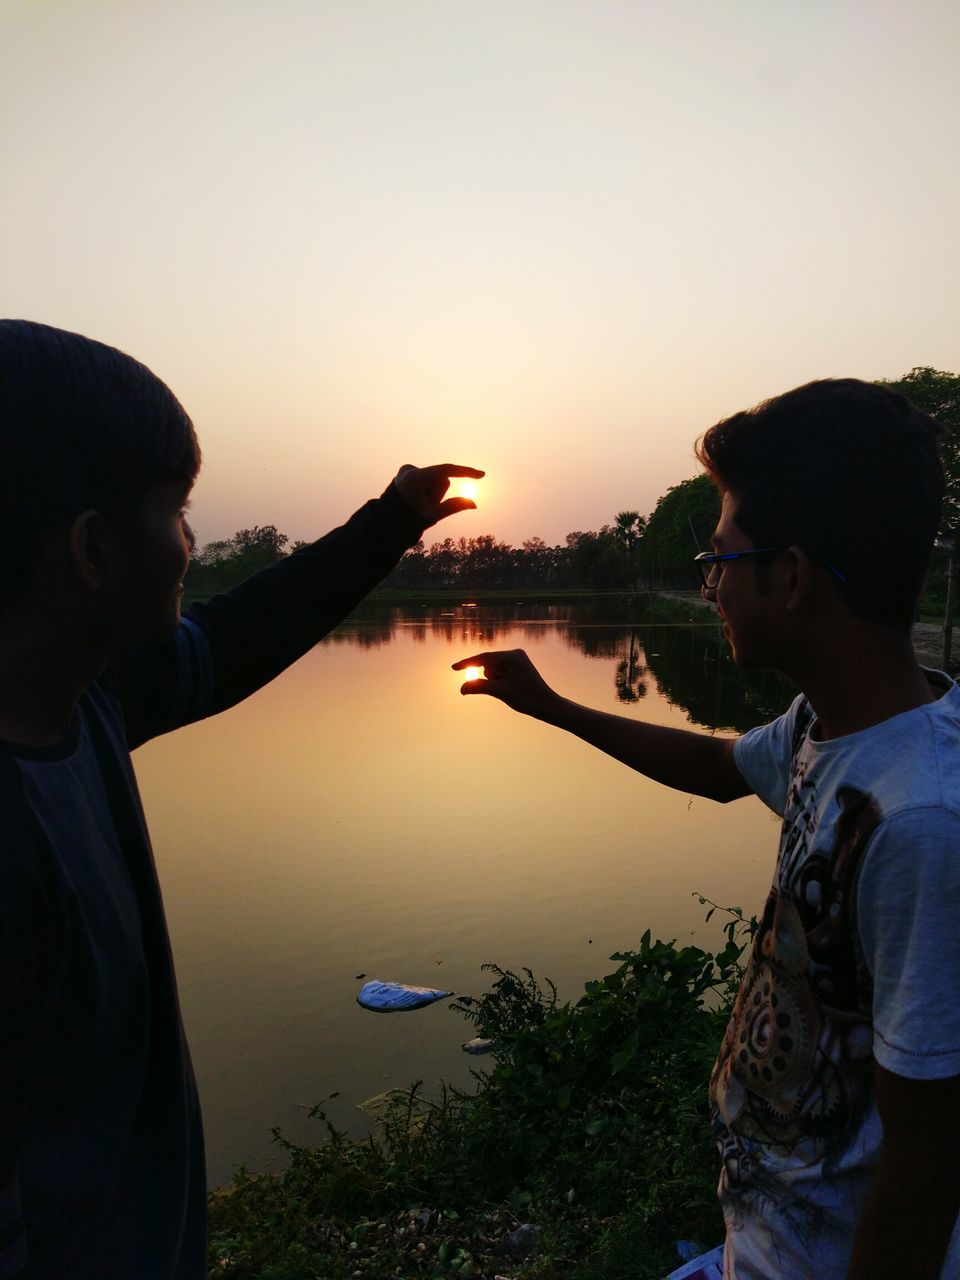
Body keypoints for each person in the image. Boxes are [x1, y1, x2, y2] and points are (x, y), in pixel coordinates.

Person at [0, 318, 482, 1278]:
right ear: (93, 550)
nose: (189, 544)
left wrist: (387, 523)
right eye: (177, 514)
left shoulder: (85, 698)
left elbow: (238, 638)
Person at [454, 378, 960, 1279]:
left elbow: (928, 1167)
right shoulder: (829, 723)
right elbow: (719, 769)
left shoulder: (919, 822)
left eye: (721, 559)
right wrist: (555, 709)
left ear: (793, 577)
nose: (711, 584)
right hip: (764, 1240)